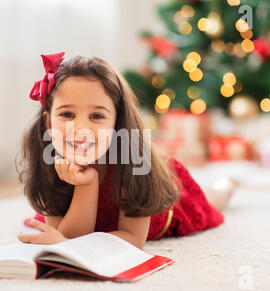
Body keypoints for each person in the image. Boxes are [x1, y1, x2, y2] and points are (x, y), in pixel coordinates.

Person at [17, 52, 235, 249]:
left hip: (169, 199)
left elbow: (133, 238)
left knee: (211, 199)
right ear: (48, 123)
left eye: (97, 116)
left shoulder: (134, 164)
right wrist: (88, 183)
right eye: (67, 115)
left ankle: (227, 184)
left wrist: (66, 243)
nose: (81, 130)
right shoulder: (49, 162)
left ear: (116, 122)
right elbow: (68, 236)